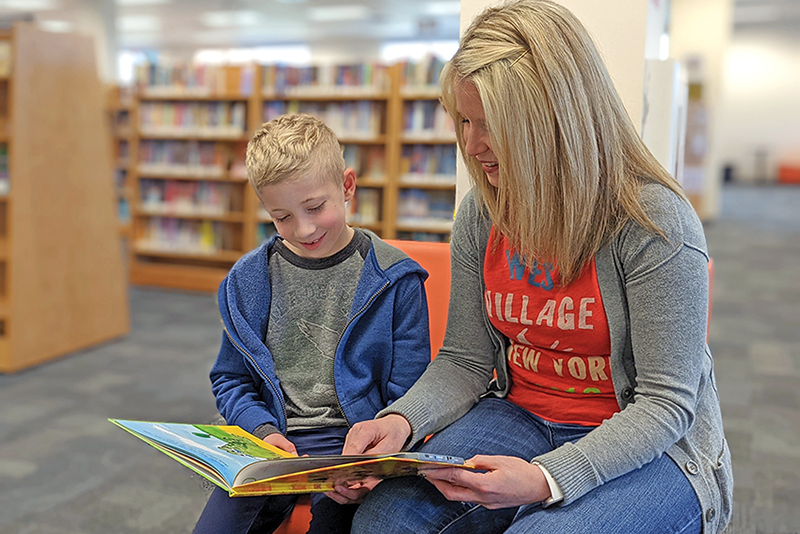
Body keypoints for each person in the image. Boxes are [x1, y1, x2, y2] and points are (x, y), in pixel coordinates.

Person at [334, 1, 734, 533]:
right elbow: (464, 360)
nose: (473, 147)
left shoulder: (654, 220)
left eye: (491, 124)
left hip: (651, 443)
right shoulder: (482, 211)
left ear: (553, 118)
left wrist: (547, 478)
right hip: (521, 415)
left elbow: (666, 404)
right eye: (466, 120)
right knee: (384, 521)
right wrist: (400, 422)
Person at [193, 113, 432, 534]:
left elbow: (408, 393)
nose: (302, 229)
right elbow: (230, 379)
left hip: (351, 442)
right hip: (269, 440)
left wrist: (372, 458)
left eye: (315, 208)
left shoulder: (396, 279)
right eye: (282, 217)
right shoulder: (248, 281)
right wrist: (261, 430)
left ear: (347, 187)